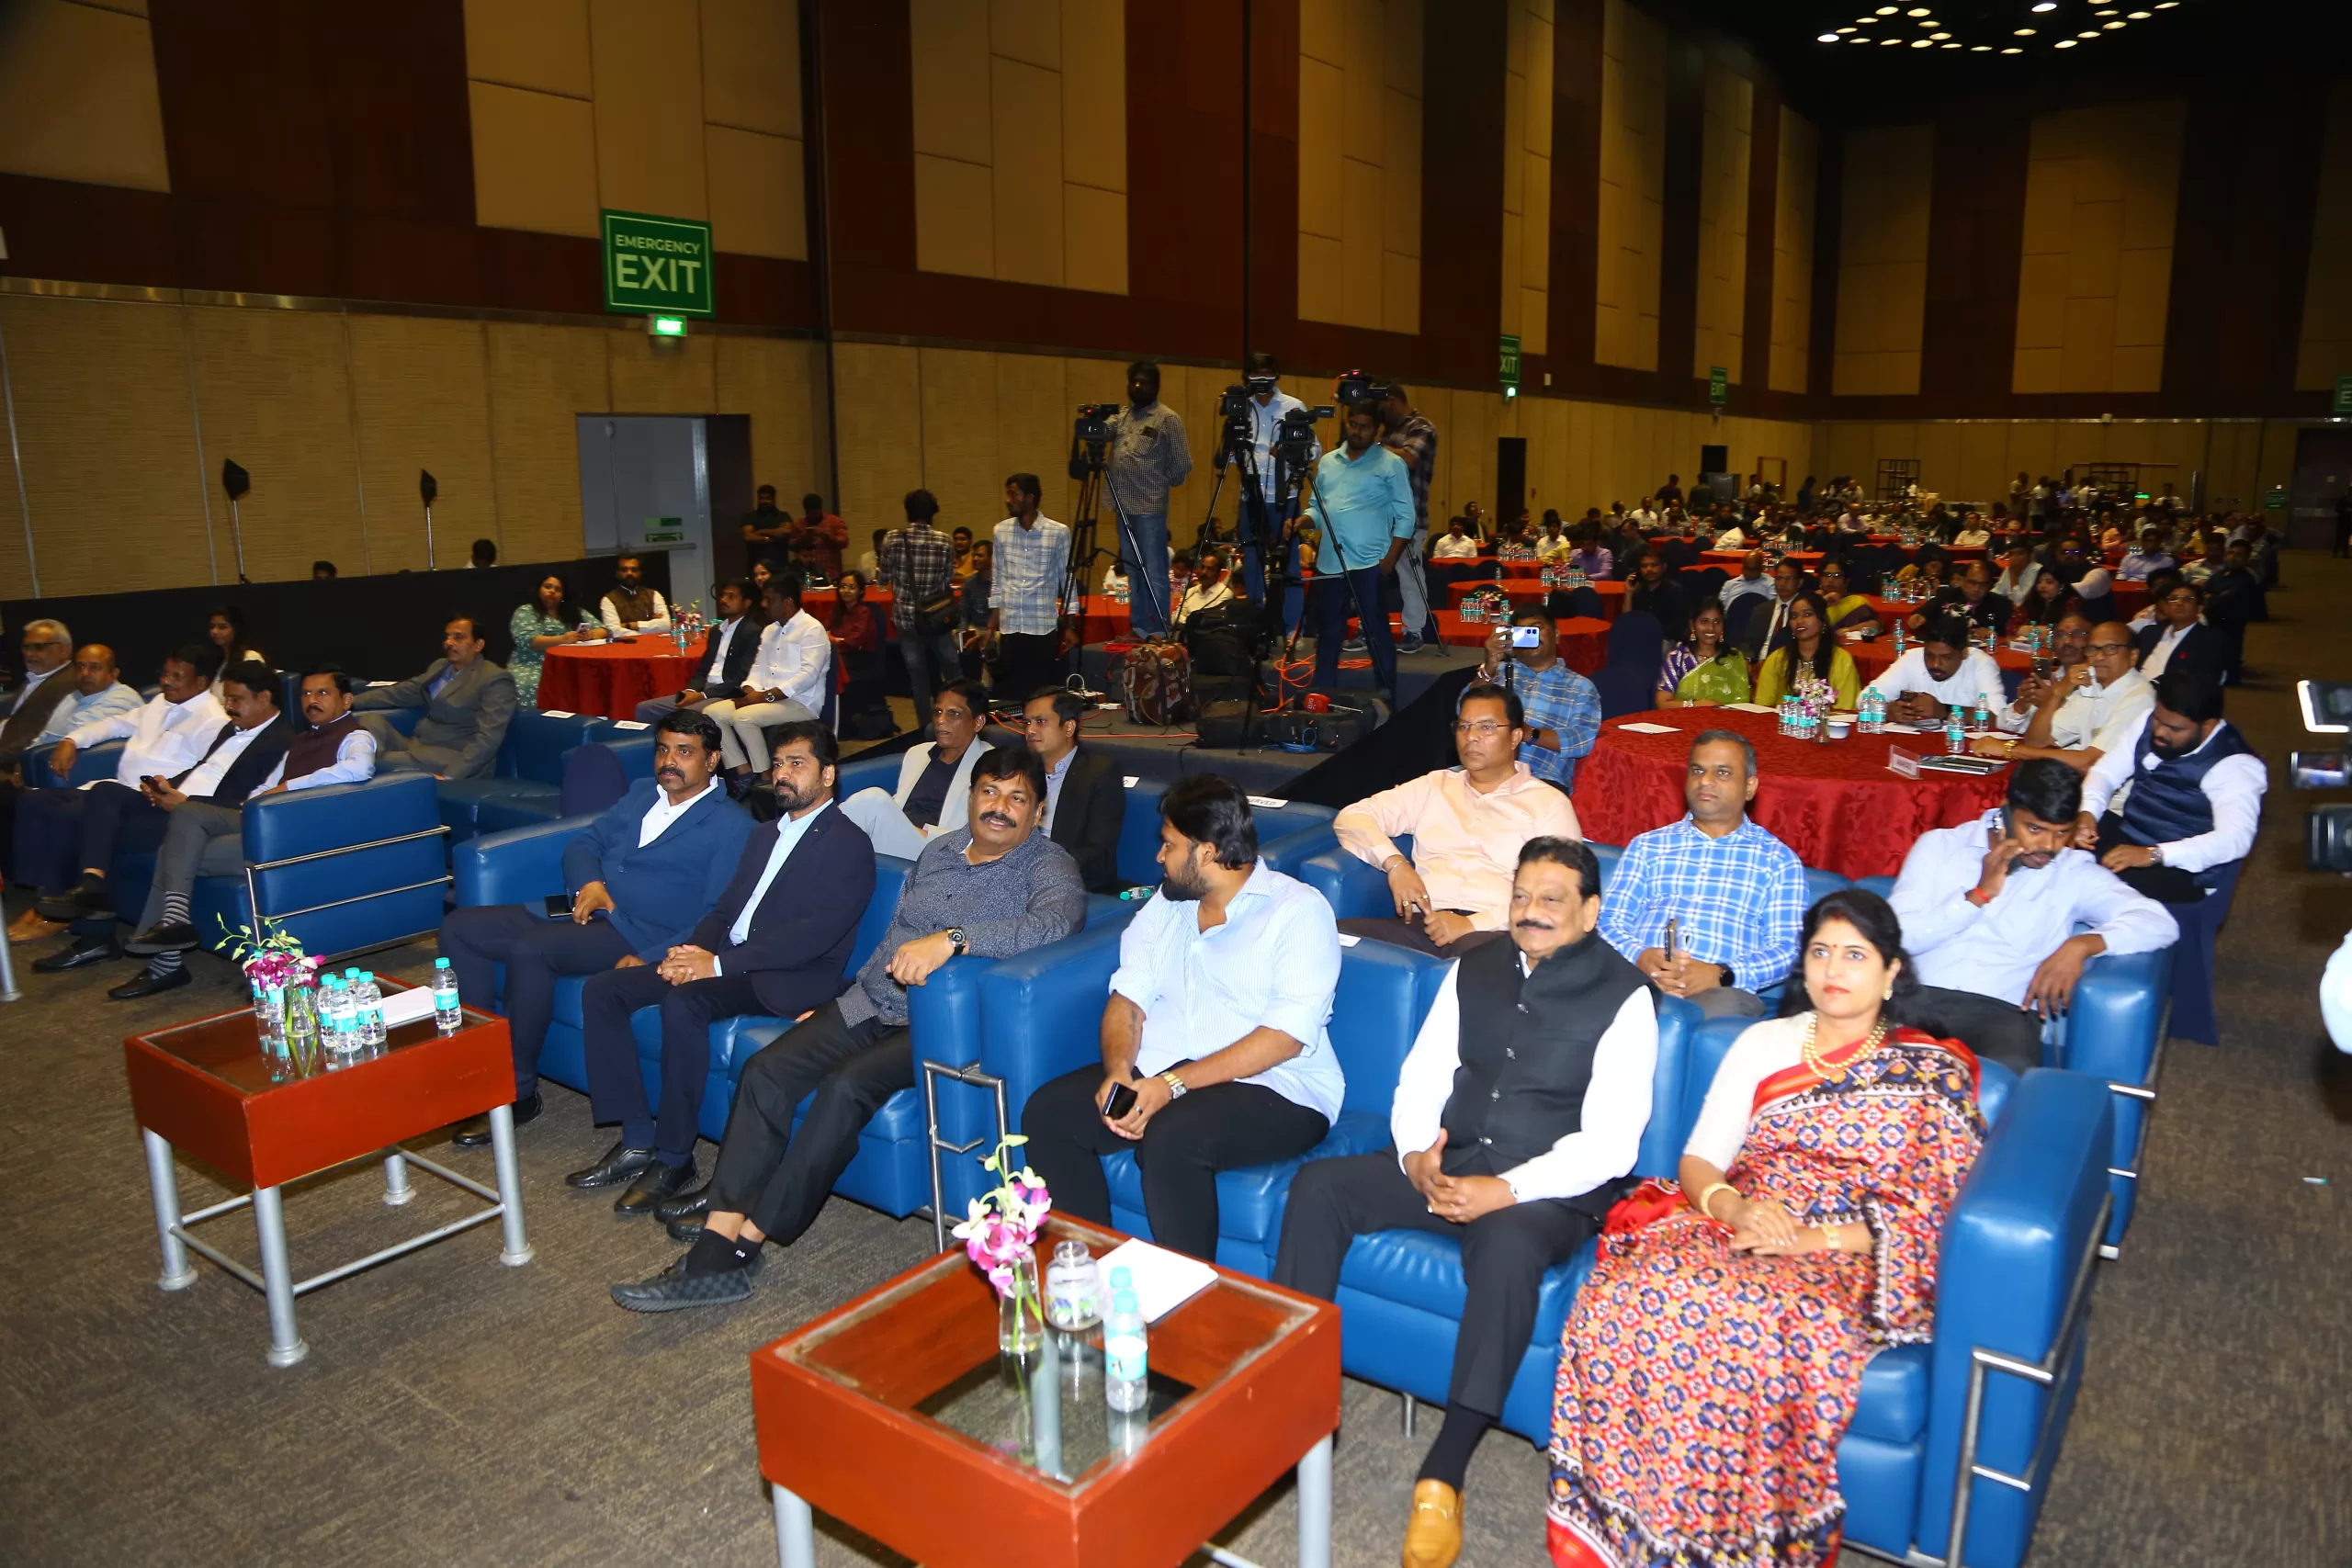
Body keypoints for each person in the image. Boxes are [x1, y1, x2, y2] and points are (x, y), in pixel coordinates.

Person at [1546, 888, 1986, 1568]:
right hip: (1741, 1222)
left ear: (1892, 971)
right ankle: (1637, 1533)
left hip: (1848, 1253)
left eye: (1855, 955)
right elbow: (1699, 1161)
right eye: (1820, 952)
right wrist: (1733, 1209)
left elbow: (1929, 1211)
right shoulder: (1764, 1042)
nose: (1833, 968)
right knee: (1629, 1292)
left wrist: (1813, 1239)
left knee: (1757, 1318)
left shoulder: (1932, 1072)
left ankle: (1726, 1547)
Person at [1275, 838, 1657, 1568]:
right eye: (1522, 895)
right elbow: (1422, 1077)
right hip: (1448, 1165)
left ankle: (1444, 1472)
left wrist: (1506, 1189)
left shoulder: (1625, 995)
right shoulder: (1474, 965)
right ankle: (1291, 1398)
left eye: (1552, 899)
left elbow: (1613, 1143)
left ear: (1590, 911)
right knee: (1320, 1187)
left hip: (1544, 1189)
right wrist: (1417, 1156)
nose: (1531, 910)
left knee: (1510, 1252)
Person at [611, 746, 1087, 1308]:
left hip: (939, 1026)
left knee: (845, 1087)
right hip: (869, 1002)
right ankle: (720, 1233)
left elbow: (1054, 924)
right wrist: (838, 998)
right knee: (766, 1071)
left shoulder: (1048, 865)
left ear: (1037, 811)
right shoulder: (938, 851)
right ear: (971, 797)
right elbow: (894, 935)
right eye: (989, 792)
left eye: (1016, 798)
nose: (999, 808)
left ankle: (744, 1244)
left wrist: (953, 940)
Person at [1021, 776, 1344, 1260]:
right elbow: (1128, 999)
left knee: (1172, 1136)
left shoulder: (1298, 911)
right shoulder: (1167, 905)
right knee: (1050, 1113)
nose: (1159, 856)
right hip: (1165, 1070)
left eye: (1169, 845)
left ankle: (1189, 1295)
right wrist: (1118, 1072)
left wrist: (1172, 1085)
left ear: (1208, 853)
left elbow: (1284, 1039)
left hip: (1278, 1087)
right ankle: (1090, 1274)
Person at [568, 722, 876, 1215]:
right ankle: (637, 1140)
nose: (783, 774)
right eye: (778, 763)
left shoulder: (848, 843)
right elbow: (723, 911)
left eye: (797, 764)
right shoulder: (764, 834)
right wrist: (689, 953)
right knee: (606, 990)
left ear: (828, 774)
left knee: (685, 1002)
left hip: (788, 976)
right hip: (730, 962)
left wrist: (714, 964)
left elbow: (812, 937)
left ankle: (674, 1157)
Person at [437, 710, 751, 1142]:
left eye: (684, 752)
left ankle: (514, 1091)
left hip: (638, 931)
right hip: (586, 907)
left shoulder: (733, 826)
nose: (669, 762)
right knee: (461, 928)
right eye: (663, 750)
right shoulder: (643, 792)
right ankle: (475, 1071)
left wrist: (655, 959)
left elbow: (718, 913)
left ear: (712, 760)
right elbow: (585, 844)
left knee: (531, 948)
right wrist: (590, 883)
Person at [1892, 760, 2177, 1071]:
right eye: (2035, 829)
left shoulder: (2072, 873)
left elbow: (2158, 922)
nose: (2048, 846)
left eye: (2062, 833)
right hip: (1914, 999)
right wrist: (1977, 897)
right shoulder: (1941, 847)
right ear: (2006, 811)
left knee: (2003, 1080)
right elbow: (1898, 938)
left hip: (2000, 1016)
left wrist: (2081, 946)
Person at [113, 666, 379, 994]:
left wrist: (288, 788)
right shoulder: (301, 740)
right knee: (187, 812)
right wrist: (254, 801)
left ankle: (166, 960)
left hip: (296, 835)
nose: (312, 700)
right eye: (306, 693)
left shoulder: (356, 736)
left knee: (174, 852)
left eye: (322, 693)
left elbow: (359, 768)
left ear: (347, 700)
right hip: (264, 822)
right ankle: (174, 927)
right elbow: (269, 785)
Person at [33, 660, 293, 989]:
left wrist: (185, 801)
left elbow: (253, 803)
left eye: (236, 699)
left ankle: (96, 937)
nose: (228, 706)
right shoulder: (233, 728)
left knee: (101, 832)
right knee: (105, 793)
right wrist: (164, 786)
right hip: (179, 801)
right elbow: (204, 768)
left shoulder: (282, 742)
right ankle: (91, 884)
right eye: (227, 698)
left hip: (204, 817)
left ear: (264, 697)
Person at [1332, 682, 1580, 958]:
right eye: (1464, 726)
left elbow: (1560, 891)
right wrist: (1396, 864)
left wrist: (1471, 924)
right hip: (1422, 924)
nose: (1471, 737)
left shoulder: (1548, 804)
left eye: (1486, 727)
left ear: (1515, 737)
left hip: (1498, 931)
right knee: (1327, 937)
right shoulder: (1434, 786)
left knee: (1473, 966)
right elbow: (1353, 816)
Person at [7, 647, 223, 946]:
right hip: (115, 790)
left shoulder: (212, 721)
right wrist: (72, 740)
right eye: (164, 674)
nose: (166, 681)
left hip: (148, 802)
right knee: (34, 801)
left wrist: (170, 793)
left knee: (68, 816)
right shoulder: (161, 702)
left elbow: (209, 775)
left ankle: (55, 916)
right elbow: (116, 723)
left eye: (177, 676)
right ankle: (45, 898)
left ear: (200, 682)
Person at [1598, 730, 1806, 1020]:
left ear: (1749, 787)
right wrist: (1640, 956)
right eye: (1697, 770)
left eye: (1722, 773)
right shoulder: (1648, 846)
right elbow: (1609, 921)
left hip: (1720, 993)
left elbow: (1789, 949)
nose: (1705, 780)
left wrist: (1722, 974)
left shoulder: (1777, 860)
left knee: (1701, 1013)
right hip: (1638, 978)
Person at [2075, 667, 2265, 904]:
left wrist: (2154, 854)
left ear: (2208, 726)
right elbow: (2106, 772)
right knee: (2055, 839)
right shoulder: (2150, 721)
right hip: (2130, 836)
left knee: (2087, 889)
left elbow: (2235, 839)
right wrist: (2088, 812)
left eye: (2175, 729)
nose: (2160, 732)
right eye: (2158, 720)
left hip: (2182, 870)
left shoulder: (2235, 765)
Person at [1306, 402, 1415, 699]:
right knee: (1329, 632)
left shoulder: (1391, 464)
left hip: (1371, 564)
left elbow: (1407, 517)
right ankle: (1322, 695)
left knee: (1377, 632)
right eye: (1352, 424)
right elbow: (1317, 509)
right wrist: (1301, 521)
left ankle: (1386, 695)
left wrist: (1389, 561)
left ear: (1377, 430)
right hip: (1330, 562)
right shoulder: (1328, 462)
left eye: (1364, 426)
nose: (1357, 431)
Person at [1083, 360, 1192, 637]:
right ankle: (1140, 626)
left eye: (1144, 382)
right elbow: (1102, 432)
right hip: (1123, 506)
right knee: (1133, 570)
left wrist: (1159, 483)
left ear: (1156, 386)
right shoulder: (1123, 416)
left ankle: (1159, 629)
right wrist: (1092, 420)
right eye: (1134, 382)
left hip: (1149, 507)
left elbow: (1182, 464)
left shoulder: (1167, 419)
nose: (1138, 387)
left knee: (1155, 571)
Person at [699, 573, 830, 784]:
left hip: (800, 702)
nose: (763, 604)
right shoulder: (770, 630)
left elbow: (808, 676)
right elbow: (758, 668)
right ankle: (743, 771)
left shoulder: (812, 629)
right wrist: (751, 691)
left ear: (787, 602)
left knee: (743, 718)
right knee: (711, 713)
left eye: (769, 599)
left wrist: (764, 697)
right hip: (767, 698)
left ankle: (765, 776)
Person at [838, 680, 988, 861]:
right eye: (938, 712)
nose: (941, 720)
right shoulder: (917, 753)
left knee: (872, 800)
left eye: (953, 713)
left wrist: (918, 832)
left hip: (940, 851)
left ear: (978, 722)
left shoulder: (991, 766)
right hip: (898, 841)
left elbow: (988, 834)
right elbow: (900, 804)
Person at [353, 615, 516, 779]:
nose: (449, 643)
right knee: (370, 721)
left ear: (478, 645)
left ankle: (365, 766)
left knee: (374, 760)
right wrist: (350, 702)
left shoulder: (495, 679)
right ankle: (366, 765)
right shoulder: (441, 666)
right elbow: (401, 692)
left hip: (453, 757)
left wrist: (450, 776)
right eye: (448, 637)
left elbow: (489, 737)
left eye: (458, 637)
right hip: (417, 745)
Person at [1980, 619, 2150, 773]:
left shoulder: (2138, 697)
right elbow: (2036, 742)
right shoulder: (2092, 686)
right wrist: (2057, 693)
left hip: (2115, 797)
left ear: (2133, 656)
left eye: (2110, 648)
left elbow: (2092, 762)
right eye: (2093, 649)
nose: (2099, 657)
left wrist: (2009, 749)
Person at [1228, 351, 1320, 613]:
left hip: (1285, 497)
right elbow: (1229, 456)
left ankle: (1291, 624)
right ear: (1247, 376)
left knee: (1289, 561)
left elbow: (1315, 450)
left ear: (1276, 375)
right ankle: (1256, 619)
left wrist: (1289, 453)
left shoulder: (1294, 406)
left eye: (1267, 373)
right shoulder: (1241, 408)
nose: (1262, 378)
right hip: (1251, 497)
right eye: (1256, 373)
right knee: (1252, 561)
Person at [1476, 609, 1600, 794]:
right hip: (1485, 770)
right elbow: (1464, 711)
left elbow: (1583, 741)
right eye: (1523, 632)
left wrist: (1530, 733)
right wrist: (1489, 667)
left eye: (1536, 629)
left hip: (1540, 778)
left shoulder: (1580, 687)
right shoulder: (1499, 672)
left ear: (1556, 635)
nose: (1530, 636)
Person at [1020, 686, 1126, 893]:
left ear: (1068, 727)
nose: (1030, 731)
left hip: (1069, 881)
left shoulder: (1099, 773)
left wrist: (1040, 863)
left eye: (1040, 722)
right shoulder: (1022, 770)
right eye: (1026, 723)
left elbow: (1098, 854)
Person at [987, 472, 1073, 699]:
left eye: (1013, 494)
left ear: (1030, 497)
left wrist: (1070, 625)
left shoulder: (1058, 532)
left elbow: (1067, 579)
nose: (1008, 500)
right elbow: (998, 578)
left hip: (1042, 626)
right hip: (1011, 625)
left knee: (1038, 694)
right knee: (1010, 695)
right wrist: (992, 624)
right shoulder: (1000, 531)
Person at [634, 577, 761, 724]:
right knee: (644, 709)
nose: (723, 600)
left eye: (731, 596)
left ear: (747, 603)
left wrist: (702, 696)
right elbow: (703, 670)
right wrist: (691, 691)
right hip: (704, 690)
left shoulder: (753, 632)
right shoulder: (716, 631)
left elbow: (740, 678)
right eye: (723, 595)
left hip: (727, 693)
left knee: (685, 714)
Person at [878, 488, 959, 716]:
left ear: (908, 512)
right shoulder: (945, 540)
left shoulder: (892, 538)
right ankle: (960, 714)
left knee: (918, 676)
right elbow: (947, 579)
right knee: (952, 669)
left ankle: (925, 724)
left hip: (907, 619)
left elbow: (883, 578)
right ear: (933, 512)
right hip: (937, 617)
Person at [1378, 382, 1441, 650]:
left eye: (1381, 409)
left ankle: (1414, 631)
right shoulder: (1387, 433)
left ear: (1391, 402)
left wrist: (1374, 448)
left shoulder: (1422, 427)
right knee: (1370, 574)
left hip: (1410, 518)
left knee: (1409, 575)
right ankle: (1368, 628)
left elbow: (1407, 458)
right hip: (1378, 518)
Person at [1860, 614, 2006, 725]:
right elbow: (1864, 698)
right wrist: (1887, 710)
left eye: (1946, 658)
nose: (1935, 664)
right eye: (1929, 655)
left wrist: (1945, 711)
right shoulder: (1912, 658)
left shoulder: (1981, 664)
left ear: (1964, 653)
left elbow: (1999, 718)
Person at [1750, 591, 1862, 709]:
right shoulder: (1777, 659)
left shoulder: (1842, 660)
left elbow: (1845, 711)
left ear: (1823, 620)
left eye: (1807, 614)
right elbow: (1762, 707)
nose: (1799, 621)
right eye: (1794, 616)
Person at [505, 573, 604, 704]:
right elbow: (529, 641)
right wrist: (562, 640)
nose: (552, 591)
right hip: (533, 664)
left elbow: (604, 630)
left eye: (558, 589)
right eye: (548, 587)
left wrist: (591, 635)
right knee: (531, 686)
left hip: (572, 665)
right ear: (538, 590)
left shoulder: (576, 612)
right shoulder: (526, 611)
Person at [1, 620, 81, 763]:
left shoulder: (67, 685)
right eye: (26, 647)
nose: (29, 654)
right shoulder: (39, 675)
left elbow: (33, 740)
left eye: (39, 647)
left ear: (64, 650)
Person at [1657, 601, 1751, 707]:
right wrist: (1697, 705)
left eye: (1717, 622)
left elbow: (1743, 706)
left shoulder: (1734, 659)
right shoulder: (1678, 659)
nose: (1711, 628)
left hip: (1729, 717)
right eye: (1704, 621)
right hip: (1686, 717)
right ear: (1692, 625)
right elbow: (1662, 703)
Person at [2134, 578, 2226, 683]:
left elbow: (2204, 680)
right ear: (2166, 607)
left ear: (2199, 609)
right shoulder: (2149, 632)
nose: (2179, 603)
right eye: (2173, 599)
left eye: (2188, 599)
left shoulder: (2211, 639)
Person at [827, 569, 887, 727]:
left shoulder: (864, 612)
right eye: (843, 586)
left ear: (860, 591)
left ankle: (838, 721)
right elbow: (826, 632)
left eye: (852, 587)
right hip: (840, 653)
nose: (846, 591)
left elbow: (853, 642)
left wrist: (833, 640)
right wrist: (835, 639)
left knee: (830, 667)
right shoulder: (838, 610)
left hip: (860, 657)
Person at [1906, 560, 2009, 639]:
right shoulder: (1948, 595)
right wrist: (1918, 616)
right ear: (1963, 581)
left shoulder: (2001, 604)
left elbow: (2007, 636)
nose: (1977, 589)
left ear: (1989, 585)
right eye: (1972, 583)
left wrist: (1992, 634)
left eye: (1983, 584)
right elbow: (1924, 612)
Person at [1737, 557, 1806, 661]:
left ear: (1800, 582)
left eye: (1788, 579)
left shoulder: (1805, 612)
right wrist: (1748, 661)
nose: (1782, 583)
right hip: (1758, 664)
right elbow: (1747, 644)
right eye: (1779, 578)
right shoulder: (1761, 610)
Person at [1624, 547, 1689, 640]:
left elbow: (1678, 627)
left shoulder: (1675, 590)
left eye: (1654, 565)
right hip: (1640, 638)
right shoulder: (1639, 589)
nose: (1649, 569)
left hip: (1665, 640)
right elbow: (1627, 621)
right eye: (1644, 566)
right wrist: (1629, 593)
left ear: (1664, 566)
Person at [203, 606, 265, 702]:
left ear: (237, 629)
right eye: (212, 627)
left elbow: (253, 700)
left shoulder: (250, 657)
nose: (214, 631)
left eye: (222, 627)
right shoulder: (221, 660)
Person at [599, 555, 673, 634]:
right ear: (617, 573)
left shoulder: (654, 595)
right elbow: (613, 631)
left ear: (640, 573)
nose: (629, 573)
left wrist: (629, 625)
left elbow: (666, 625)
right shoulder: (608, 600)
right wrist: (651, 626)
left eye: (634, 570)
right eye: (624, 570)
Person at [1172, 546, 1236, 627]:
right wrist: (1190, 621)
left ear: (1219, 573)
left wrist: (1185, 618)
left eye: (1210, 569)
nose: (1204, 572)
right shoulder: (1191, 592)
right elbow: (1174, 617)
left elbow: (1207, 623)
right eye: (1202, 567)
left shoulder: (1225, 593)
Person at [792, 492, 848, 581]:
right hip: (805, 574)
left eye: (815, 512)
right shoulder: (799, 524)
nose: (813, 516)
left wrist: (828, 537)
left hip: (831, 572)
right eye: (810, 513)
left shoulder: (834, 521)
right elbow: (791, 545)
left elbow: (844, 541)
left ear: (820, 509)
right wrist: (805, 538)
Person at [1815, 558, 1879, 636]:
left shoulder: (1856, 602)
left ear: (1846, 581)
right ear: (1820, 579)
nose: (1831, 580)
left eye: (1837, 576)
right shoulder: (1811, 601)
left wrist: (1847, 630)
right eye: (1827, 575)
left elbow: (1875, 626)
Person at [740, 484, 793, 566]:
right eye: (761, 498)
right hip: (756, 565)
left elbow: (785, 532)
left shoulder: (783, 516)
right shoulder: (750, 517)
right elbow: (748, 536)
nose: (764, 501)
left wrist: (760, 532)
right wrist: (768, 538)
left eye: (768, 498)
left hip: (780, 565)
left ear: (773, 500)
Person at [2017, 566, 2083, 631]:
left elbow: (2068, 629)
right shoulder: (2032, 600)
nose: (2042, 586)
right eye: (2039, 582)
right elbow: (2013, 627)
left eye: (2049, 582)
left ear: (2061, 586)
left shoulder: (2071, 602)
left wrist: (2028, 629)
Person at [1718, 549, 1773, 615]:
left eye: (1753, 569)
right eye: (1747, 568)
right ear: (1742, 568)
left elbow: (1774, 608)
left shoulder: (1771, 584)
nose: (1750, 572)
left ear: (1761, 568)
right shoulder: (1729, 584)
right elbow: (1720, 610)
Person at [1992, 539, 2043, 606]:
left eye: (2020, 553)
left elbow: (2019, 603)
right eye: (2012, 554)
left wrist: (2013, 575)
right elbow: (1998, 591)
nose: (2015, 557)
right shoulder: (2010, 568)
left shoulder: (2037, 571)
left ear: (2030, 555)